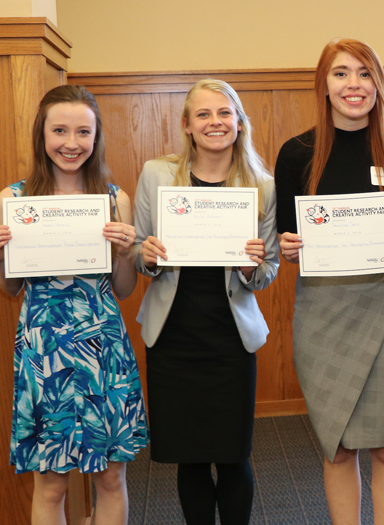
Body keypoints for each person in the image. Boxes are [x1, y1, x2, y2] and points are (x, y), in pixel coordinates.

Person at [275, 39, 384, 525]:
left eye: (364, 73)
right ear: (323, 84)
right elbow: (284, 234)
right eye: (341, 74)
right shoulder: (295, 152)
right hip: (322, 313)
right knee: (336, 446)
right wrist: (287, 246)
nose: (354, 85)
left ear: (378, 82)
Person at [0, 85, 148, 525]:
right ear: (42, 135)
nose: (71, 143)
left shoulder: (116, 200)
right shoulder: (13, 200)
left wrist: (124, 251)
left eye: (82, 132)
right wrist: (0, 258)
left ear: (95, 139)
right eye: (59, 130)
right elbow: (10, 288)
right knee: (51, 484)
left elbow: (125, 288)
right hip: (43, 353)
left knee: (111, 478)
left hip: (103, 350)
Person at [132, 79, 278, 525]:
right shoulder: (157, 174)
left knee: (234, 456)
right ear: (187, 125)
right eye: (203, 115)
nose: (215, 122)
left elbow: (268, 270)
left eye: (224, 113)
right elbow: (138, 251)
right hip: (172, 339)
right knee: (188, 456)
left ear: (238, 121)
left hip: (230, 340)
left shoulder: (263, 186)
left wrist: (253, 267)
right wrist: (149, 256)